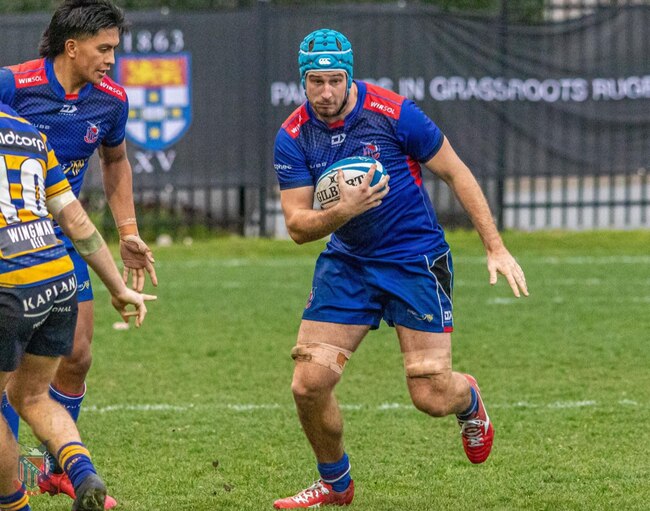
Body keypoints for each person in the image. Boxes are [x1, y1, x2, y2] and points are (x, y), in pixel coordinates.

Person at [271, 28, 529, 508]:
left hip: (414, 260)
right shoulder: (293, 136)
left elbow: (455, 171)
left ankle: (469, 399)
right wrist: (342, 212)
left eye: (334, 80)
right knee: (309, 384)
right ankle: (335, 483)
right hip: (348, 263)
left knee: (430, 395)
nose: (326, 92)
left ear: (350, 75)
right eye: (315, 82)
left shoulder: (393, 113)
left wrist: (495, 246)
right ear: (302, 82)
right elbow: (297, 226)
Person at [0, 1, 156, 507]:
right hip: (21, 232)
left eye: (115, 48)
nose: (112, 59)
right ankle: (10, 477)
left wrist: (128, 231)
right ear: (72, 46)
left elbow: (116, 163)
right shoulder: (14, 85)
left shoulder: (110, 100)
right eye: (103, 48)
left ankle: (53, 469)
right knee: (12, 374)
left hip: (59, 235)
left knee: (78, 355)